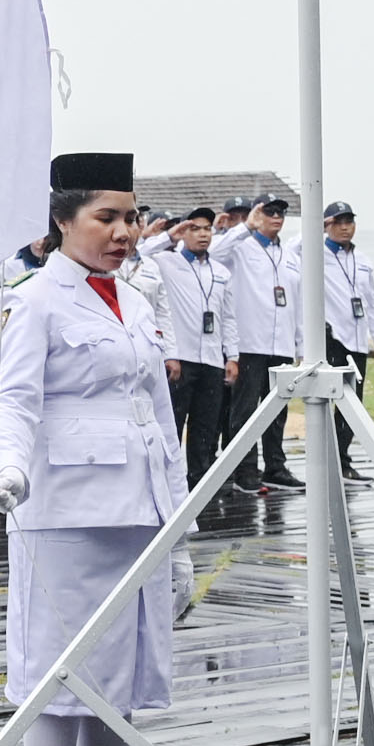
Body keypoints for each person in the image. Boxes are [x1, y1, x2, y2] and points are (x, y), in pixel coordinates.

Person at [0, 154, 189, 746]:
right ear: (63, 220)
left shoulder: (135, 302)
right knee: (58, 681)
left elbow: (159, 418)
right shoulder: (33, 300)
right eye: (107, 217)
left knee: (119, 685)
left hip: (135, 510)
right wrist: (6, 471)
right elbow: (12, 399)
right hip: (63, 510)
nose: (125, 232)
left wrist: (179, 519)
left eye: (131, 217)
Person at [141, 202, 247, 527]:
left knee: (205, 428)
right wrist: (169, 234)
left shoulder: (220, 272)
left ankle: (199, 488)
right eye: (194, 228)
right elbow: (140, 252)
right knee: (172, 425)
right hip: (180, 359)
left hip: (212, 359)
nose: (202, 235)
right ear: (183, 231)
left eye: (207, 229)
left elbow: (227, 317)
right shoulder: (165, 262)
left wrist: (233, 356)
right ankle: (167, 490)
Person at [221, 196, 304, 492]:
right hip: (249, 342)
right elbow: (217, 251)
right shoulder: (240, 248)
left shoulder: (291, 256)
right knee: (244, 411)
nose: (276, 217)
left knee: (278, 411)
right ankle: (244, 470)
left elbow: (298, 302)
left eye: (280, 212)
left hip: (280, 345)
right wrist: (247, 225)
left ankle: (275, 467)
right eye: (269, 212)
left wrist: (300, 346)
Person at [313, 200, 374, 480]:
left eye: (349, 222)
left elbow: (373, 303)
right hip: (333, 339)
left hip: (357, 342)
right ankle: (324, 462)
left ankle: (341, 460)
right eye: (338, 222)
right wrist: (316, 229)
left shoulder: (363, 260)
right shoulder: (315, 254)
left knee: (353, 405)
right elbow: (295, 248)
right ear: (327, 225)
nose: (345, 228)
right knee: (325, 401)